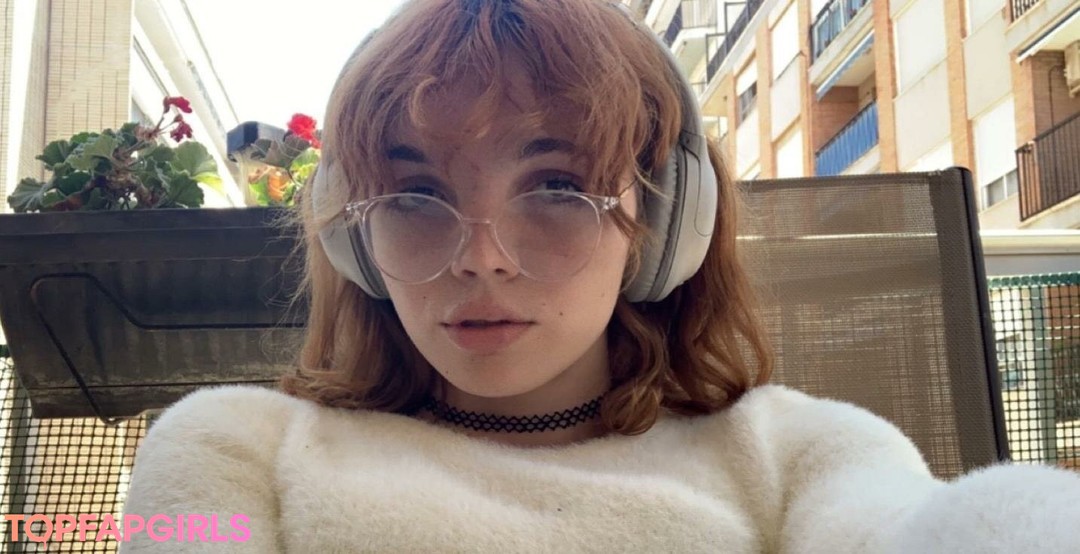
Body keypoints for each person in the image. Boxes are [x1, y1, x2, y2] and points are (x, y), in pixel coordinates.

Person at [120, 0, 1080, 552]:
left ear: (662, 224)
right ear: (354, 237)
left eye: (555, 186)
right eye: (413, 195)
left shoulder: (804, 456)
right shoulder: (234, 448)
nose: (482, 255)